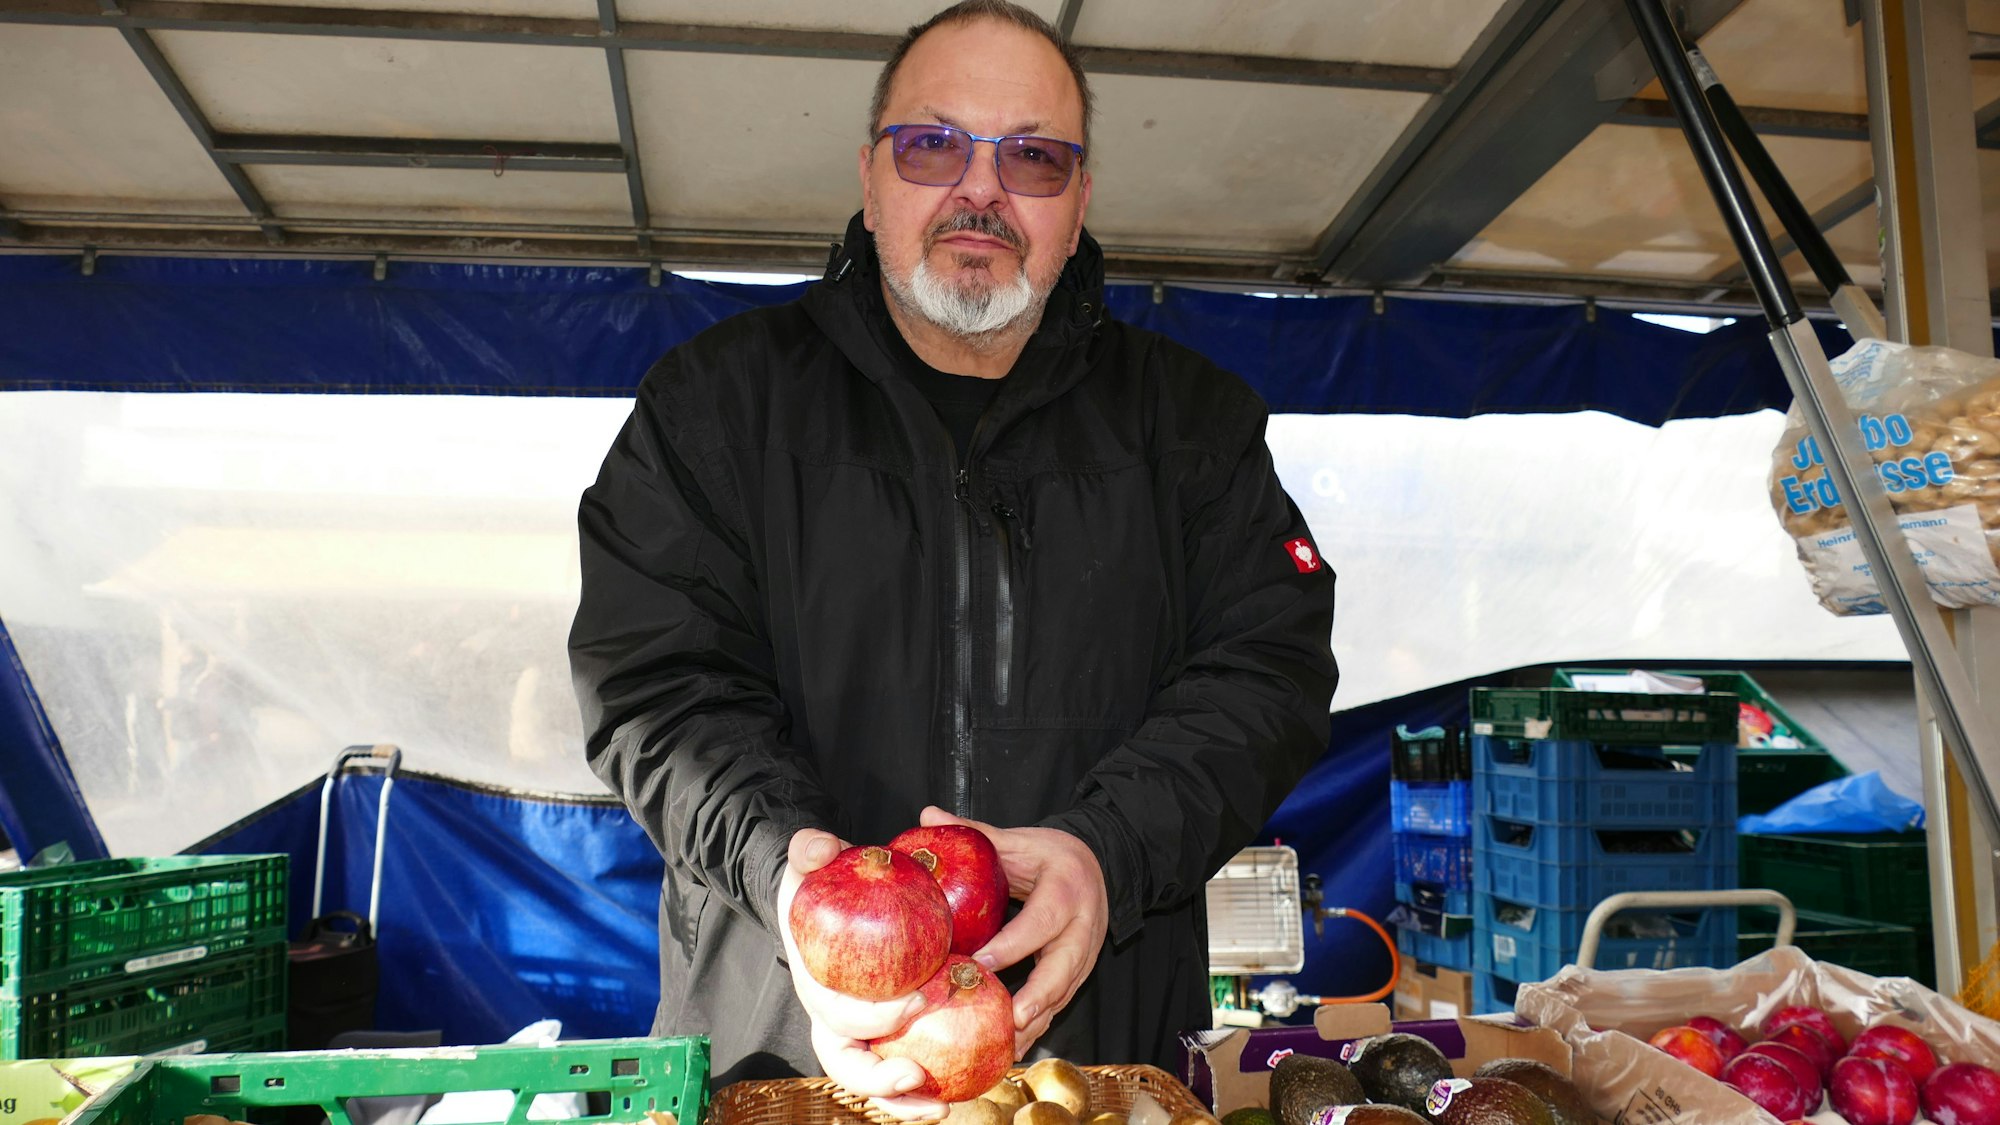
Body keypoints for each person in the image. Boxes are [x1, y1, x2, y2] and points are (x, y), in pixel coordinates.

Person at [568, 0, 1337, 1114]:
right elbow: (652, 685)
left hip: (1091, 1053)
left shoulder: (1192, 426)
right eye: (933, 145)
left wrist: (1105, 856)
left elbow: (1266, 669)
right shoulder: (714, 407)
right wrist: (789, 877)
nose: (979, 187)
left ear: (1078, 206)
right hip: (784, 1048)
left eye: (1032, 157)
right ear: (870, 180)